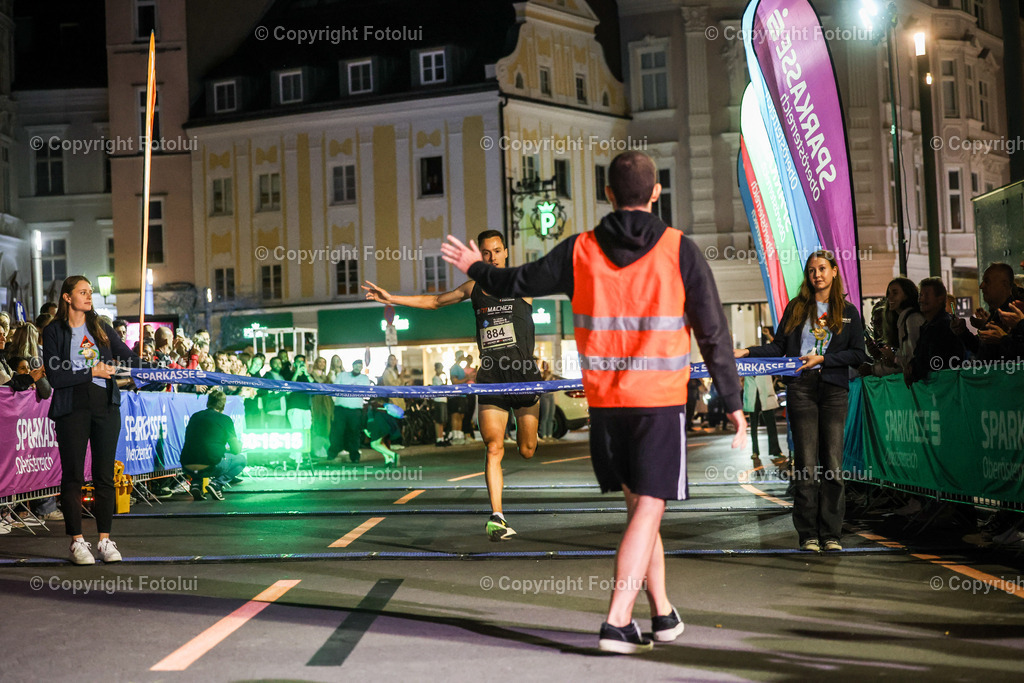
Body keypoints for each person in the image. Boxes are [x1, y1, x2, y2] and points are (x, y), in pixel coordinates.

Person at [441, 150, 746, 654]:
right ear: (656, 193)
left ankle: (664, 613)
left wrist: (476, 266)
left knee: (639, 508)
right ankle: (616, 621)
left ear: (607, 194)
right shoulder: (678, 249)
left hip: (606, 404)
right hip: (658, 402)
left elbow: (517, 282)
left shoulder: (580, 250)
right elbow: (712, 329)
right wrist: (731, 398)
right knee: (650, 507)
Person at [365, 230, 543, 542]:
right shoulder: (475, 288)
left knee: (528, 450)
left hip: (524, 374)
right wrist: (391, 298)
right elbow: (434, 301)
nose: (491, 257)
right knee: (493, 446)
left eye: (496, 251)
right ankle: (497, 517)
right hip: (491, 377)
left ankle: (522, 430)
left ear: (506, 252)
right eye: (485, 253)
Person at [736, 251, 869, 554]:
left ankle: (832, 533)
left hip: (834, 390)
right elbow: (779, 347)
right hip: (802, 390)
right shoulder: (796, 308)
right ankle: (808, 534)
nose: (817, 275)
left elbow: (859, 355)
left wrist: (826, 358)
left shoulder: (848, 311)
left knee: (833, 465)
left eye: (822, 269)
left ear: (834, 272)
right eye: (811, 270)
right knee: (806, 465)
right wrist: (746, 352)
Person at [41, 276, 154, 565]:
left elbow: (127, 357)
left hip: (106, 408)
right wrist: (92, 372)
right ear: (67, 297)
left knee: (105, 477)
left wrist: (158, 371)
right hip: (72, 409)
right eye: (83, 292)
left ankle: (105, 540)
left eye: (90, 291)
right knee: (74, 476)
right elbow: (55, 376)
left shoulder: (100, 326)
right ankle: (77, 542)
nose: (89, 296)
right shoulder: (54, 330)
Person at [180, 390, 246, 501]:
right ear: (223, 405)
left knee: (199, 454)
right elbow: (236, 449)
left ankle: (196, 484)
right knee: (241, 460)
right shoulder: (225, 420)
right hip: (211, 464)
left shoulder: (195, 416)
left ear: (208, 402)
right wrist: (236, 446)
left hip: (187, 464)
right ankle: (217, 484)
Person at [952, 263, 1023, 360]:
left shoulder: (1014, 313)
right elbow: (982, 349)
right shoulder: (997, 312)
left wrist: (1003, 340)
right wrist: (963, 332)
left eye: (987, 281)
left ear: (1004, 285)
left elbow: (1018, 356)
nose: (981, 286)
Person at [909, 278, 965, 383]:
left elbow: (935, 361)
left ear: (940, 298)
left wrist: (914, 370)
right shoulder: (927, 326)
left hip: (945, 386)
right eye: (920, 295)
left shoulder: (944, 325)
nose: (921, 300)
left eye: (926, 295)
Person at [869, 278, 923, 377]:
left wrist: (893, 358)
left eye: (895, 293)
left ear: (907, 294)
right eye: (888, 293)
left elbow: (911, 359)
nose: (890, 297)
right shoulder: (901, 320)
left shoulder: (912, 319)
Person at [330, 359, 371, 463]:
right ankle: (333, 453)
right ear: (352, 366)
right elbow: (334, 389)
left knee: (354, 432)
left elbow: (366, 393)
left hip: (355, 410)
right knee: (337, 431)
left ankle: (354, 456)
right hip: (341, 408)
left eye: (360, 366)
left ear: (361, 368)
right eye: (356, 365)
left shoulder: (364, 378)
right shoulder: (342, 375)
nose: (358, 367)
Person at [743, 374, 783, 465]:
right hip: (752, 395)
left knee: (771, 425)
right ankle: (755, 451)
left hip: (765, 394)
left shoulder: (764, 361)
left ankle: (776, 450)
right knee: (753, 426)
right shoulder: (746, 361)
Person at [431, 362, 452, 447]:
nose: (441, 370)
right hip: (438, 400)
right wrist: (446, 379)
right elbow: (442, 387)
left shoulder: (439, 378)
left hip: (443, 400)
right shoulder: (435, 378)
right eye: (439, 368)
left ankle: (441, 437)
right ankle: (438, 438)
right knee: (438, 420)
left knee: (442, 420)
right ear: (436, 369)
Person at [538, 360, 556, 440]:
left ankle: (550, 434)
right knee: (545, 415)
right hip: (544, 396)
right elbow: (542, 384)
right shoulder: (541, 374)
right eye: (545, 365)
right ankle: (543, 434)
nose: (546, 367)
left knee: (551, 416)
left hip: (551, 395)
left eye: (547, 365)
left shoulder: (551, 374)